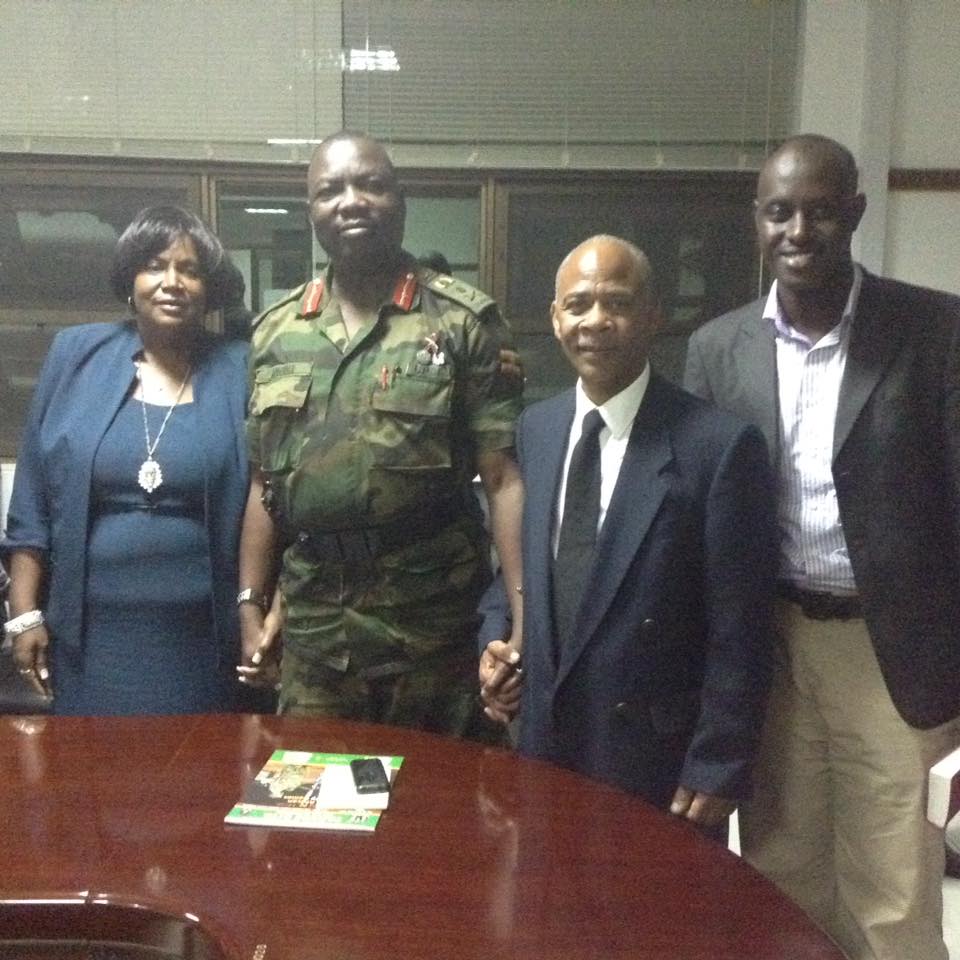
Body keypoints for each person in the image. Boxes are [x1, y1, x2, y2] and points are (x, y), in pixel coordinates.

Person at [684, 134, 960, 960]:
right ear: (757, 223)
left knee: (893, 882)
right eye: (779, 212)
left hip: (895, 648)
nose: (799, 229)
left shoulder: (935, 330)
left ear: (855, 214)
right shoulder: (717, 347)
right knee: (779, 864)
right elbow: (700, 512)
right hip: (771, 645)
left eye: (819, 210)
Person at [479, 235, 776, 831]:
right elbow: (518, 570)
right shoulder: (537, 428)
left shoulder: (716, 446)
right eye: (578, 304)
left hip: (655, 760)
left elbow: (741, 625)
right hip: (546, 739)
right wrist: (496, 641)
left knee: (654, 922)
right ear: (554, 318)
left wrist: (718, 761)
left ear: (653, 316)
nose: (595, 321)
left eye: (616, 302)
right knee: (546, 909)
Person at [238, 132, 524, 736]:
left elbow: (501, 479)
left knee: (437, 814)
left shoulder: (462, 322)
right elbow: (265, 483)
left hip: (433, 630)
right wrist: (251, 604)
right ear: (310, 209)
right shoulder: (273, 332)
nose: (350, 201)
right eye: (329, 191)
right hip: (316, 633)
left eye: (370, 184)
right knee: (314, 813)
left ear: (401, 199)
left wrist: (524, 619)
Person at [2, 205, 252, 715]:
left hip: (204, 639)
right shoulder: (76, 355)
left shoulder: (239, 368)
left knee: (199, 776)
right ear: (131, 277)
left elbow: (266, 500)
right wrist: (23, 613)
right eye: (155, 265)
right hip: (90, 639)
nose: (171, 282)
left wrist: (256, 609)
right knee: (97, 781)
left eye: (190, 270)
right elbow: (32, 496)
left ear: (209, 288)